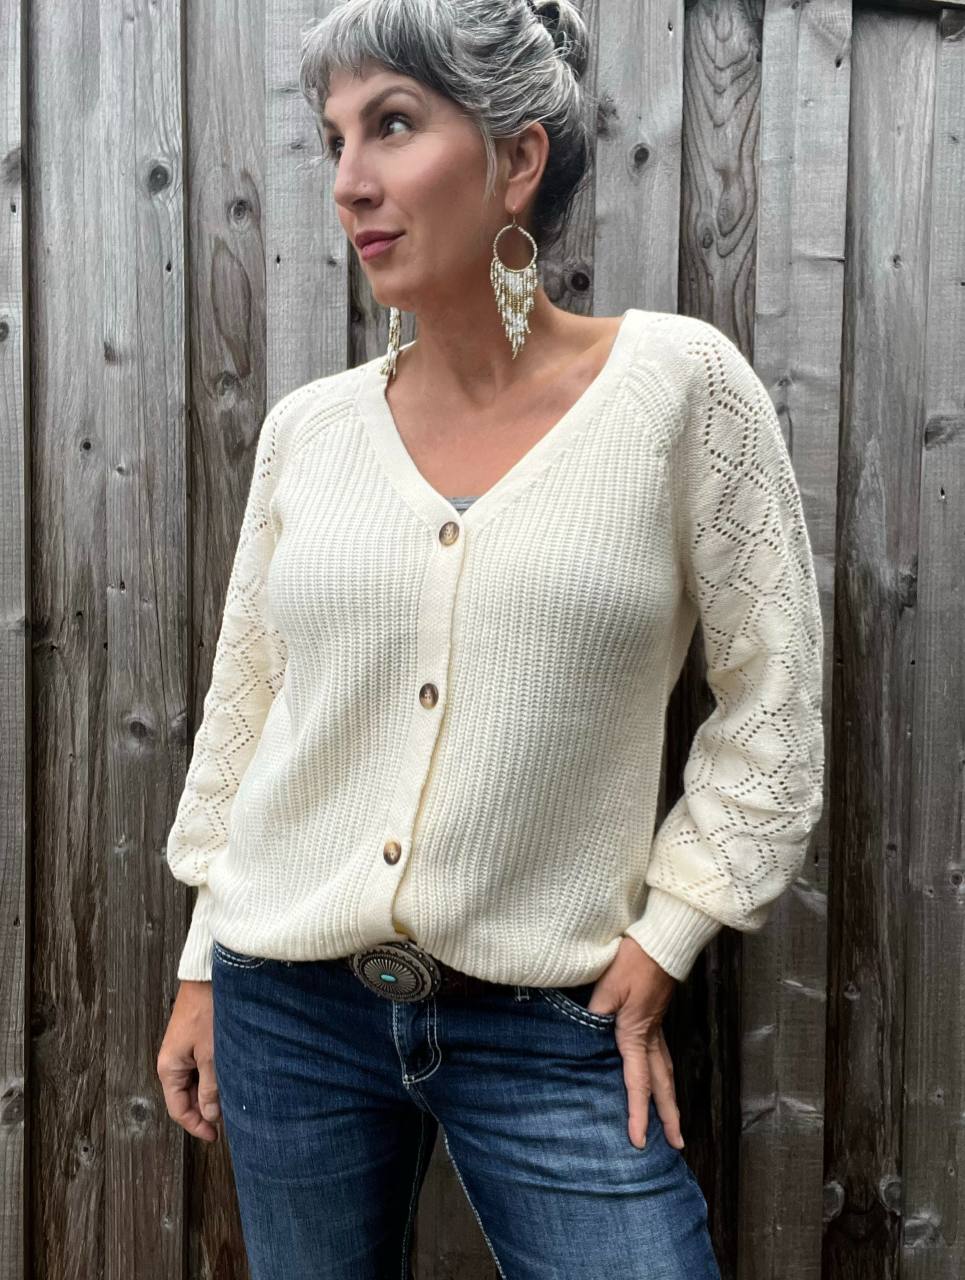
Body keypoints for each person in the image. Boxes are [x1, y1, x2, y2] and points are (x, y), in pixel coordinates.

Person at [156, 1, 824, 1276]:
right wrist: (200, 961)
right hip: (283, 1003)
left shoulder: (678, 390)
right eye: (334, 136)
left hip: (551, 1019)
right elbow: (252, 708)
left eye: (393, 127)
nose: (349, 179)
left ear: (516, 159)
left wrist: (669, 927)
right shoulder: (308, 431)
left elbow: (772, 699)